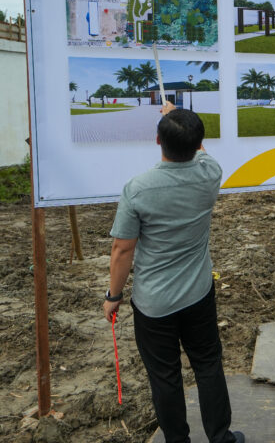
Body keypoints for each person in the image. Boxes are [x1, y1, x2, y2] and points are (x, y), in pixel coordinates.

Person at [102, 103, 244, 443]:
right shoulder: (210, 173)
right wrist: (179, 114)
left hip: (154, 304)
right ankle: (220, 437)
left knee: (165, 377)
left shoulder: (137, 189)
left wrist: (113, 296)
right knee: (208, 363)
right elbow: (202, 152)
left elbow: (123, 250)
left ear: (156, 140)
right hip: (197, 293)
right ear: (198, 145)